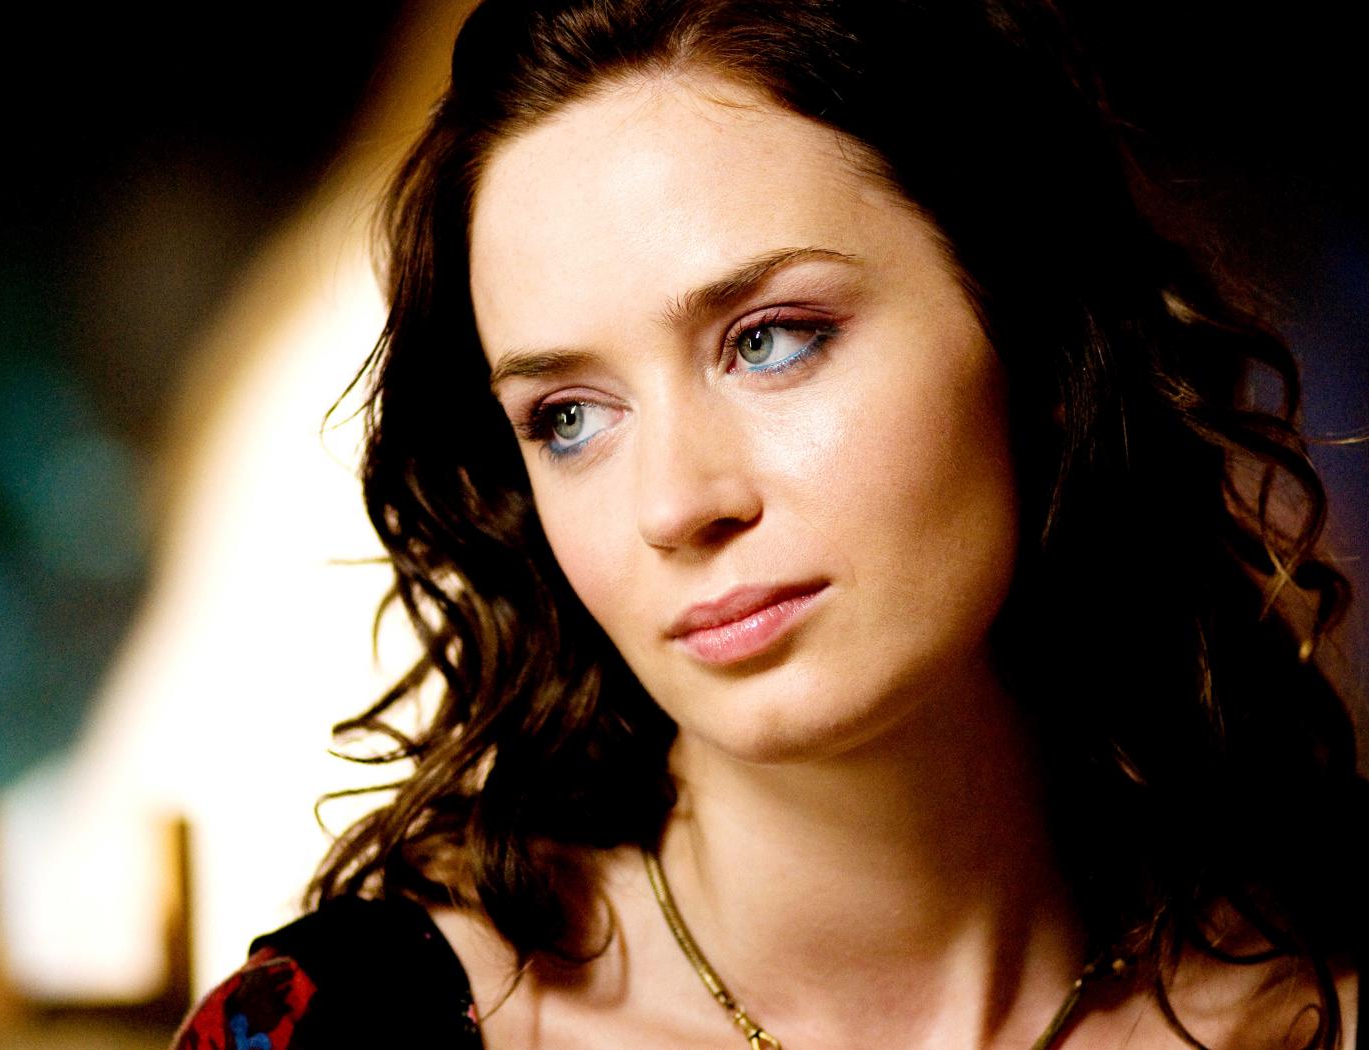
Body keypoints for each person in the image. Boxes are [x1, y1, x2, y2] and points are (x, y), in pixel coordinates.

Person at [171, 0, 1367, 1047]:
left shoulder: (1319, 998)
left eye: (770, 341)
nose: (676, 506)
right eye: (569, 417)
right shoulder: (351, 1030)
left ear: (1040, 337)